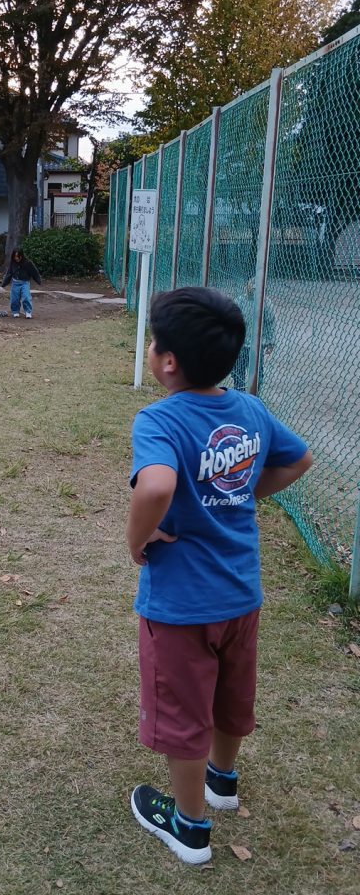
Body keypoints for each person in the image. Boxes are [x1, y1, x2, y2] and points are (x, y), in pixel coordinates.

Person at [126, 287, 312, 866]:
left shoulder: (160, 419)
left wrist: (137, 539)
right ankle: (222, 781)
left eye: (153, 342)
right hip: (241, 593)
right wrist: (241, 495)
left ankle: (189, 828)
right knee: (232, 693)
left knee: (184, 713)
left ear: (168, 361)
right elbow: (299, 458)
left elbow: (156, 485)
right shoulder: (250, 410)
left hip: (181, 606)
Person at [231, 277, 276, 392]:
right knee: (238, 371)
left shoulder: (265, 303)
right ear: (247, 286)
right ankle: (239, 391)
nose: (254, 289)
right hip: (241, 344)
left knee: (257, 374)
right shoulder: (240, 301)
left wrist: (271, 342)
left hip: (257, 345)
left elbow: (270, 323)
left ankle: (254, 393)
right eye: (252, 285)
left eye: (257, 287)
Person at [1, 248, 42, 318]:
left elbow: (34, 272)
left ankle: (28, 311)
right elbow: (9, 273)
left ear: (21, 256)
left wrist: (38, 280)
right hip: (15, 283)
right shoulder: (12, 263)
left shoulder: (28, 263)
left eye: (18, 256)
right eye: (15, 256)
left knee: (26, 297)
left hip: (25, 283)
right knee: (14, 298)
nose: (16, 258)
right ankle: (15, 311)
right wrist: (4, 283)